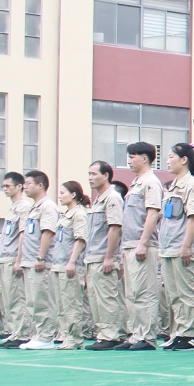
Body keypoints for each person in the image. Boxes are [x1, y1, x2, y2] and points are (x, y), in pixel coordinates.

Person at [157, 144, 194, 350]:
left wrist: (187, 246)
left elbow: (193, 217)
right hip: (168, 247)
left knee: (188, 291)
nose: (167, 161)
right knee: (174, 293)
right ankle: (181, 330)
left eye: (171, 157)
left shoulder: (191, 185)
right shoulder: (172, 187)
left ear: (184, 160)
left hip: (182, 246)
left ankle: (193, 333)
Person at [117, 142, 163, 350]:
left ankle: (147, 336)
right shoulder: (135, 184)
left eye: (132, 156)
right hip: (130, 244)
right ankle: (136, 334)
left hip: (141, 244)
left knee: (144, 291)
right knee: (132, 293)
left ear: (144, 158)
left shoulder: (150, 182)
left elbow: (152, 214)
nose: (129, 160)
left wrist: (143, 243)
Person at [14, 170, 60, 350]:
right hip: (30, 261)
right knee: (32, 301)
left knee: (42, 300)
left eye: (28, 184)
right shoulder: (34, 208)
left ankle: (46, 337)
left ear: (40, 185)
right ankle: (38, 334)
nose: (25, 187)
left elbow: (48, 233)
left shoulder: (48, 206)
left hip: (40, 262)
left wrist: (40, 257)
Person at [83, 161, 126, 350]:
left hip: (103, 257)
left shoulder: (112, 198)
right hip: (93, 256)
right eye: (89, 174)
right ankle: (103, 333)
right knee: (95, 299)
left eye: (94, 174)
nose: (90, 178)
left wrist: (109, 256)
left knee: (107, 298)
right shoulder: (98, 200)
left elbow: (114, 227)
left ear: (106, 175)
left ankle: (111, 335)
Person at [48, 182, 90, 349]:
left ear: (73, 195)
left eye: (63, 192)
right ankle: (65, 335)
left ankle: (74, 338)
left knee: (71, 304)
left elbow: (80, 239)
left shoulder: (79, 214)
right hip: (58, 264)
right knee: (61, 305)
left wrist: (72, 261)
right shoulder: (64, 216)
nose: (60, 196)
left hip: (70, 265)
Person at [0, 172, 31, 348]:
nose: (5, 189)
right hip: (4, 258)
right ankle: (15, 331)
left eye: (8, 186)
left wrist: (19, 259)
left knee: (17, 297)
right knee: (8, 299)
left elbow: (23, 234)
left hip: (13, 258)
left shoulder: (24, 207)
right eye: (3, 186)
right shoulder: (12, 208)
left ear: (19, 186)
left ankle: (23, 333)